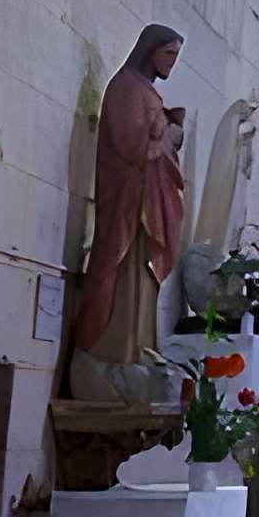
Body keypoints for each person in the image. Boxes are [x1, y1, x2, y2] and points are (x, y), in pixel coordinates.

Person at [68, 24, 187, 403]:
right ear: (150, 50)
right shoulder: (126, 88)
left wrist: (167, 131)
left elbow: (154, 145)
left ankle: (135, 348)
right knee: (122, 276)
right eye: (168, 53)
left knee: (144, 280)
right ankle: (109, 351)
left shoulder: (145, 91)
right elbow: (131, 145)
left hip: (144, 207)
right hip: (127, 208)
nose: (173, 62)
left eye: (176, 56)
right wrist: (165, 131)